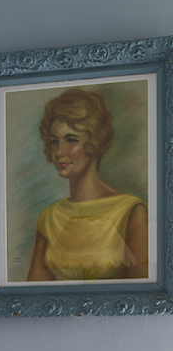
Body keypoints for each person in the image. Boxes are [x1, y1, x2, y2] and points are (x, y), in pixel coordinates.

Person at [27, 88, 147, 281]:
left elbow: (143, 294)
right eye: (54, 141)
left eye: (71, 140)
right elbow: (33, 295)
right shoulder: (49, 218)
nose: (59, 152)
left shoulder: (130, 210)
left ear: (94, 142)